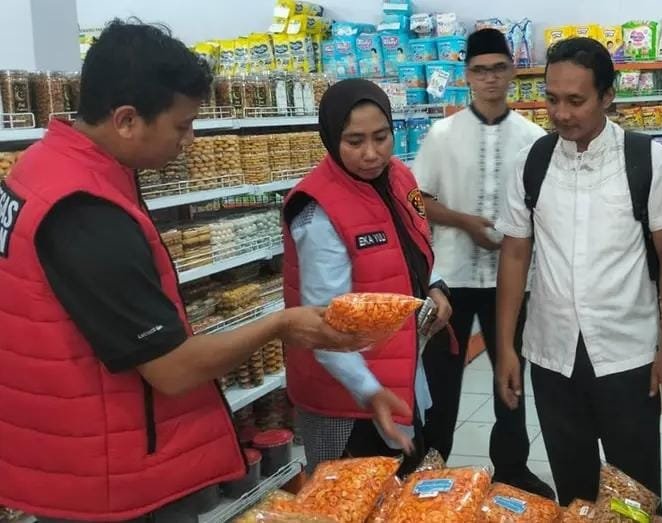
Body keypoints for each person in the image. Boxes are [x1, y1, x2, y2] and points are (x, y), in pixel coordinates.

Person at [0, 20, 367, 523]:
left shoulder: (38, 166)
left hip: (73, 452)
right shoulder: (85, 210)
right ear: (126, 120)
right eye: (181, 125)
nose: (190, 140)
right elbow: (172, 370)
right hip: (115, 481)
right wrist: (281, 323)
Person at [495, 37, 662, 506]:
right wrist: (504, 347)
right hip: (552, 355)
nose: (561, 113)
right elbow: (515, 255)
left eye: (576, 101)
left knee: (635, 494)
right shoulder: (531, 163)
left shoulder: (646, 161)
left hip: (627, 355)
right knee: (574, 492)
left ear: (607, 96)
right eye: (552, 99)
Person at [282, 78, 454, 475]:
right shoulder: (318, 210)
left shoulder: (399, 177)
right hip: (346, 395)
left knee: (404, 494)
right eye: (355, 141)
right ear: (331, 138)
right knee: (351, 496)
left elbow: (416, 242)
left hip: (397, 371)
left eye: (381, 137)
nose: (372, 153)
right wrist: (370, 391)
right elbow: (324, 324)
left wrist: (434, 285)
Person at [412, 28, 553, 498]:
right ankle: (430, 470)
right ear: (467, 76)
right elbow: (415, 199)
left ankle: (511, 468)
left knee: (509, 378)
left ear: (512, 72)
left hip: (511, 281)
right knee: (442, 381)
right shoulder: (442, 134)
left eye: (498, 69)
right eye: (480, 70)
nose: (490, 79)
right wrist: (463, 222)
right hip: (449, 280)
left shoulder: (534, 138)